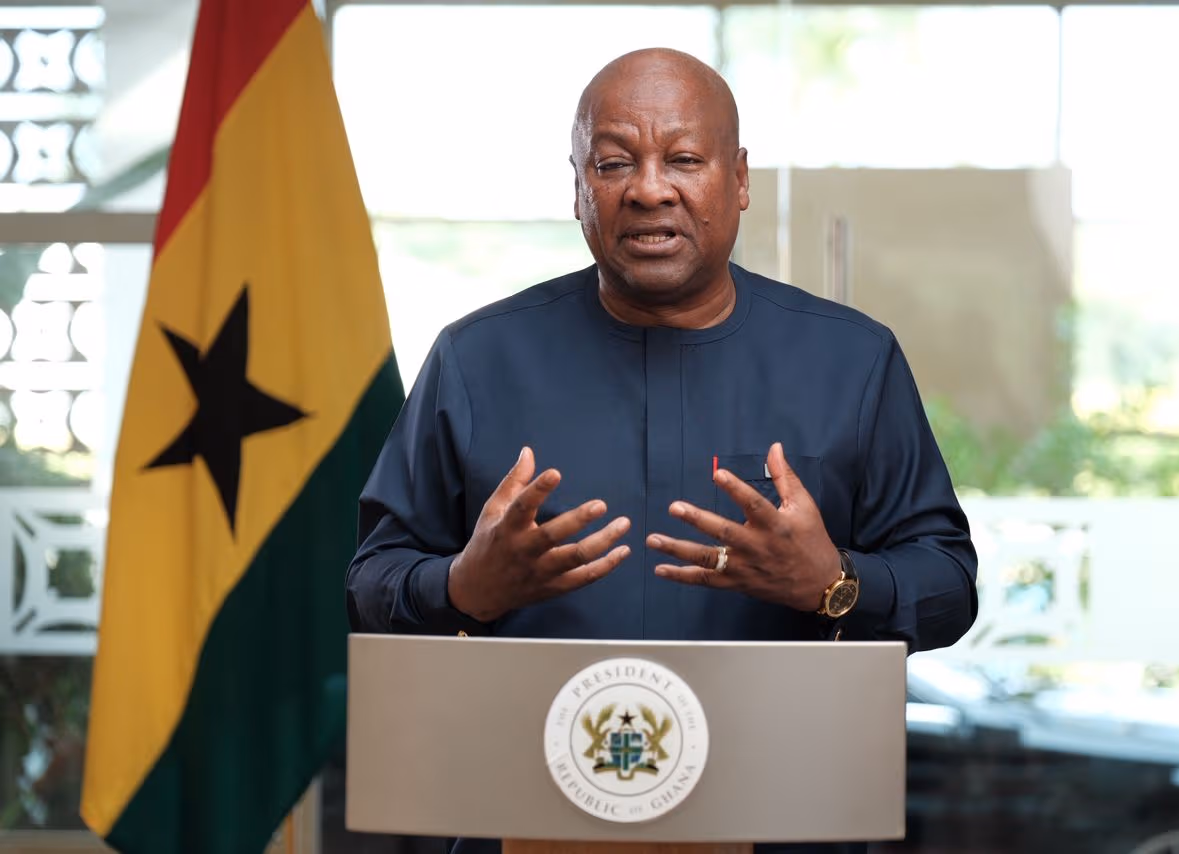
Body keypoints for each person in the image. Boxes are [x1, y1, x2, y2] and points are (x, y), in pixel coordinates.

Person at [346, 47, 978, 854]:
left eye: (683, 159)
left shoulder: (854, 362)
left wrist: (835, 584)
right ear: (578, 186)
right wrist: (462, 588)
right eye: (614, 162)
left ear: (738, 179)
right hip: (527, 825)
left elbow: (949, 587)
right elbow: (369, 584)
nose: (649, 189)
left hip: (782, 822)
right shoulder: (475, 362)